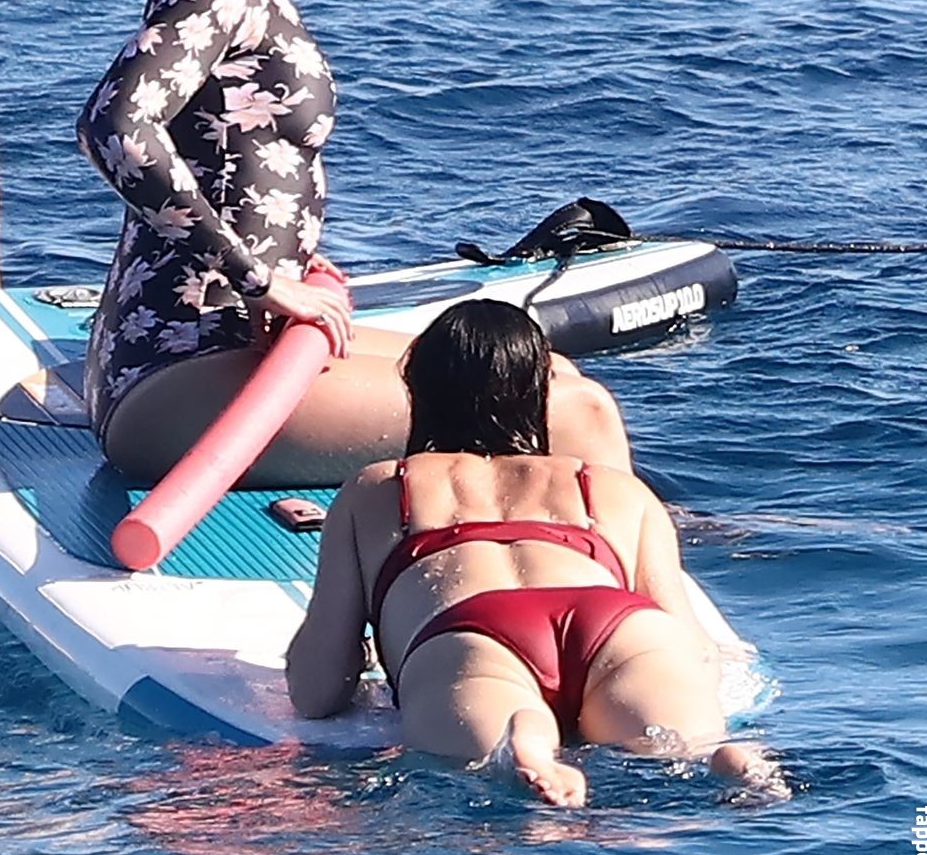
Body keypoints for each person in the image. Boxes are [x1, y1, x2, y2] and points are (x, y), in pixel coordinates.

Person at [77, 0, 631, 483]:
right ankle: (651, 550)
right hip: (184, 375)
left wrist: (284, 256)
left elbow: (222, 145)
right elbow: (116, 124)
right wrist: (260, 277)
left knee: (552, 374)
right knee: (576, 415)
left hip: (221, 348)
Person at [286, 299, 785, 804]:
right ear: (540, 391)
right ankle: (724, 757)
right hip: (620, 628)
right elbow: (696, 649)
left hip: (472, 634)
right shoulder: (616, 489)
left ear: (418, 388)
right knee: (683, 749)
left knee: (488, 765)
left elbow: (317, 688)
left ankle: (525, 740)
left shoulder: (379, 488)